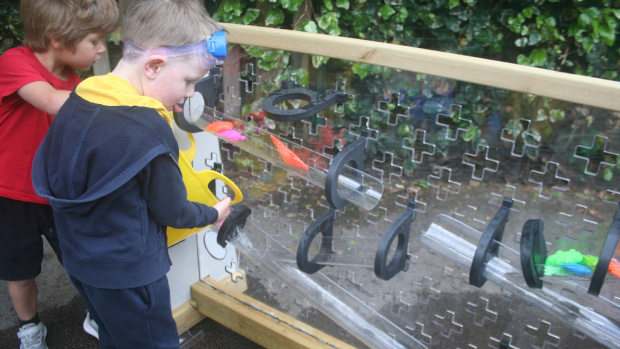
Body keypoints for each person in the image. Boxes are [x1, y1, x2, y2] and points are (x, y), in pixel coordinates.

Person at [31, 0, 232, 347]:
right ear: (154, 65)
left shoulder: (81, 97)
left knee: (114, 333)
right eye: (187, 81)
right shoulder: (149, 128)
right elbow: (173, 211)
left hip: (82, 264)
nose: (189, 94)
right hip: (131, 273)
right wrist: (213, 213)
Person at [0, 0, 121, 348]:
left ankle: (97, 313)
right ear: (57, 38)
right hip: (12, 195)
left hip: (57, 193)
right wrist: (125, 100)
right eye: (95, 41)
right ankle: (30, 327)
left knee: (81, 260)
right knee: (20, 271)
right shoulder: (15, 62)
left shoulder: (73, 77)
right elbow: (53, 101)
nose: (101, 50)